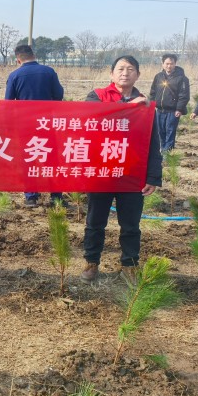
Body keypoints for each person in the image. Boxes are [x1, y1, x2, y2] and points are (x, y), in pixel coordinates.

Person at [81, 55, 162, 286]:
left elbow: (153, 142)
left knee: (131, 225)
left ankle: (129, 265)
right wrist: (128, 108)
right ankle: (91, 262)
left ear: (138, 74)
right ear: (111, 74)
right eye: (120, 69)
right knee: (95, 222)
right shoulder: (97, 96)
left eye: (130, 69)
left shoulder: (145, 105)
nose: (125, 73)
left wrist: (153, 176)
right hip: (101, 171)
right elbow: (91, 116)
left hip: (132, 174)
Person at [5, 44, 65, 207]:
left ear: (18, 59)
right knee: (51, 158)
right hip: (47, 122)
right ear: (34, 55)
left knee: (29, 158)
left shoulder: (14, 75)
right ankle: (56, 196)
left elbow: (8, 102)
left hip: (25, 124)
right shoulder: (49, 72)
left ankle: (31, 196)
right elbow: (59, 95)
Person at [148, 53, 190, 153]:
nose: (169, 66)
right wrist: (151, 104)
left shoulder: (182, 78)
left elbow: (184, 95)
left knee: (170, 131)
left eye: (171, 64)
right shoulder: (158, 76)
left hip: (173, 111)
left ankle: (167, 153)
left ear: (175, 64)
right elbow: (153, 91)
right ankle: (162, 150)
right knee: (160, 131)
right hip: (159, 110)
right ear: (162, 64)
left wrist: (179, 109)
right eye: (167, 64)